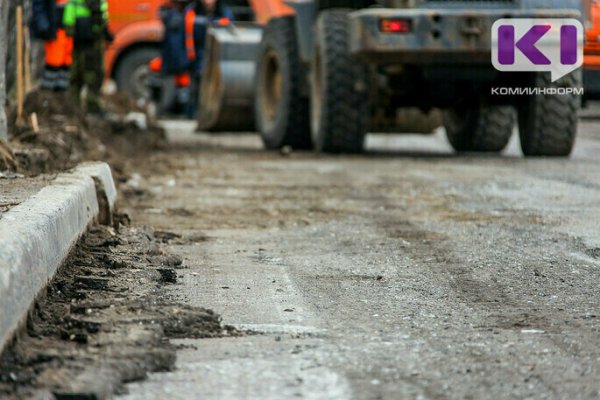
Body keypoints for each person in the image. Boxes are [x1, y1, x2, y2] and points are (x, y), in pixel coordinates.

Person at [62, 0, 112, 114]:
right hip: (90, 44)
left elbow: (68, 23)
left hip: (80, 42)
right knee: (91, 75)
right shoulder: (98, 3)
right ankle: (90, 108)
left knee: (78, 76)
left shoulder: (74, 3)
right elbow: (102, 22)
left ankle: (76, 109)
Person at [31, 0, 73, 91]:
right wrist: (43, 25)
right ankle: (48, 94)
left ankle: (61, 93)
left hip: (68, 30)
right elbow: (38, 6)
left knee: (65, 62)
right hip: (56, 29)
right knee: (53, 62)